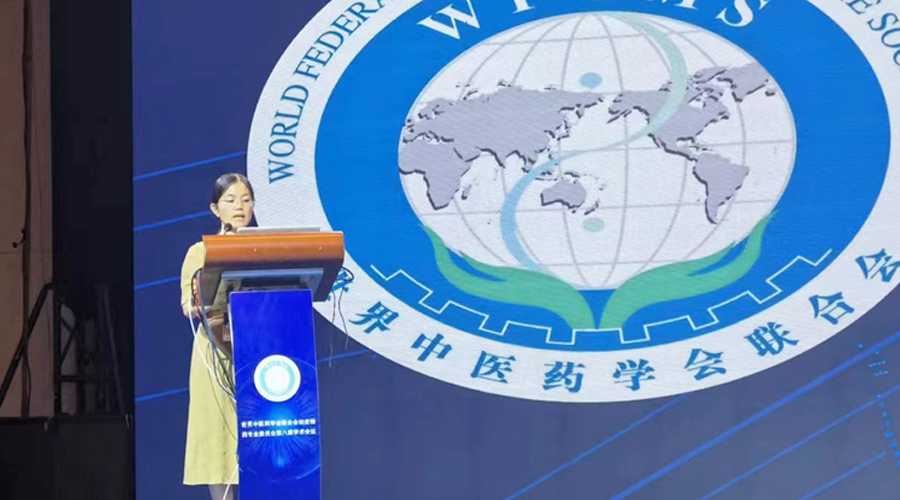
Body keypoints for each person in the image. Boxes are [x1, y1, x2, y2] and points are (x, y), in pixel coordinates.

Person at [179, 173, 255, 500]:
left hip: (258, 349)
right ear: (215, 208)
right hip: (215, 352)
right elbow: (188, 305)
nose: (239, 207)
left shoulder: (265, 249)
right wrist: (203, 304)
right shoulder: (200, 252)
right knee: (219, 442)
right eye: (231, 200)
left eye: (246, 200)